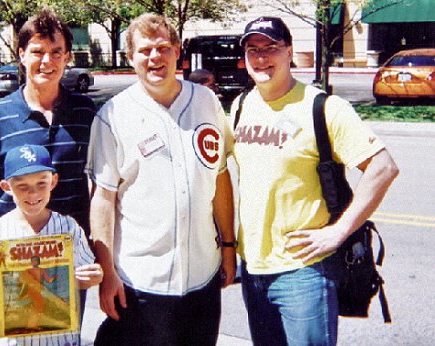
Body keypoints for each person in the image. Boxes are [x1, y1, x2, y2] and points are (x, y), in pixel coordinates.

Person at [231, 16, 399, 345]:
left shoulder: (322, 107)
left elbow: (383, 167)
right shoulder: (241, 106)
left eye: (271, 48)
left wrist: (338, 232)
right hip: (253, 270)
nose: (262, 57)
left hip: (304, 272)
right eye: (253, 50)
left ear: (289, 51)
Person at [86, 13, 237, 346]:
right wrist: (107, 272)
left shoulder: (206, 101)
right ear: (130, 58)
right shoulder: (113, 116)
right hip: (141, 284)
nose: (155, 57)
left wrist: (228, 246)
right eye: (144, 51)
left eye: (163, 48)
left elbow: (220, 179)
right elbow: (103, 199)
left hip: (203, 276)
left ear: (177, 52)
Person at [0, 8, 96, 237]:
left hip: (73, 249)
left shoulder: (86, 112)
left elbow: (100, 184)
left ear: (67, 57)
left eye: (56, 52)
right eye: (37, 52)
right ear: (22, 54)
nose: (47, 61)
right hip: (13, 253)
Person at [0, 144, 103, 345]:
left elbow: (81, 279)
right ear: (6, 187)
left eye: (41, 183)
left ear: (53, 181)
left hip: (59, 339)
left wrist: (93, 276)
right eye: (22, 186)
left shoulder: (67, 227)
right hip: (13, 340)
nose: (33, 194)